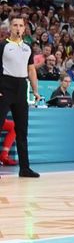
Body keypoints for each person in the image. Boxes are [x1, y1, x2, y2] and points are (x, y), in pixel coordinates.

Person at [0, 16, 41, 177]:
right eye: (15, 25)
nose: (18, 28)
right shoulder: (3, 45)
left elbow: (31, 70)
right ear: (10, 28)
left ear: (25, 28)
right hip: (4, 87)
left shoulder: (28, 47)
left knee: (22, 129)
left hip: (21, 88)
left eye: (21, 25)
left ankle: (25, 168)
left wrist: (35, 91)